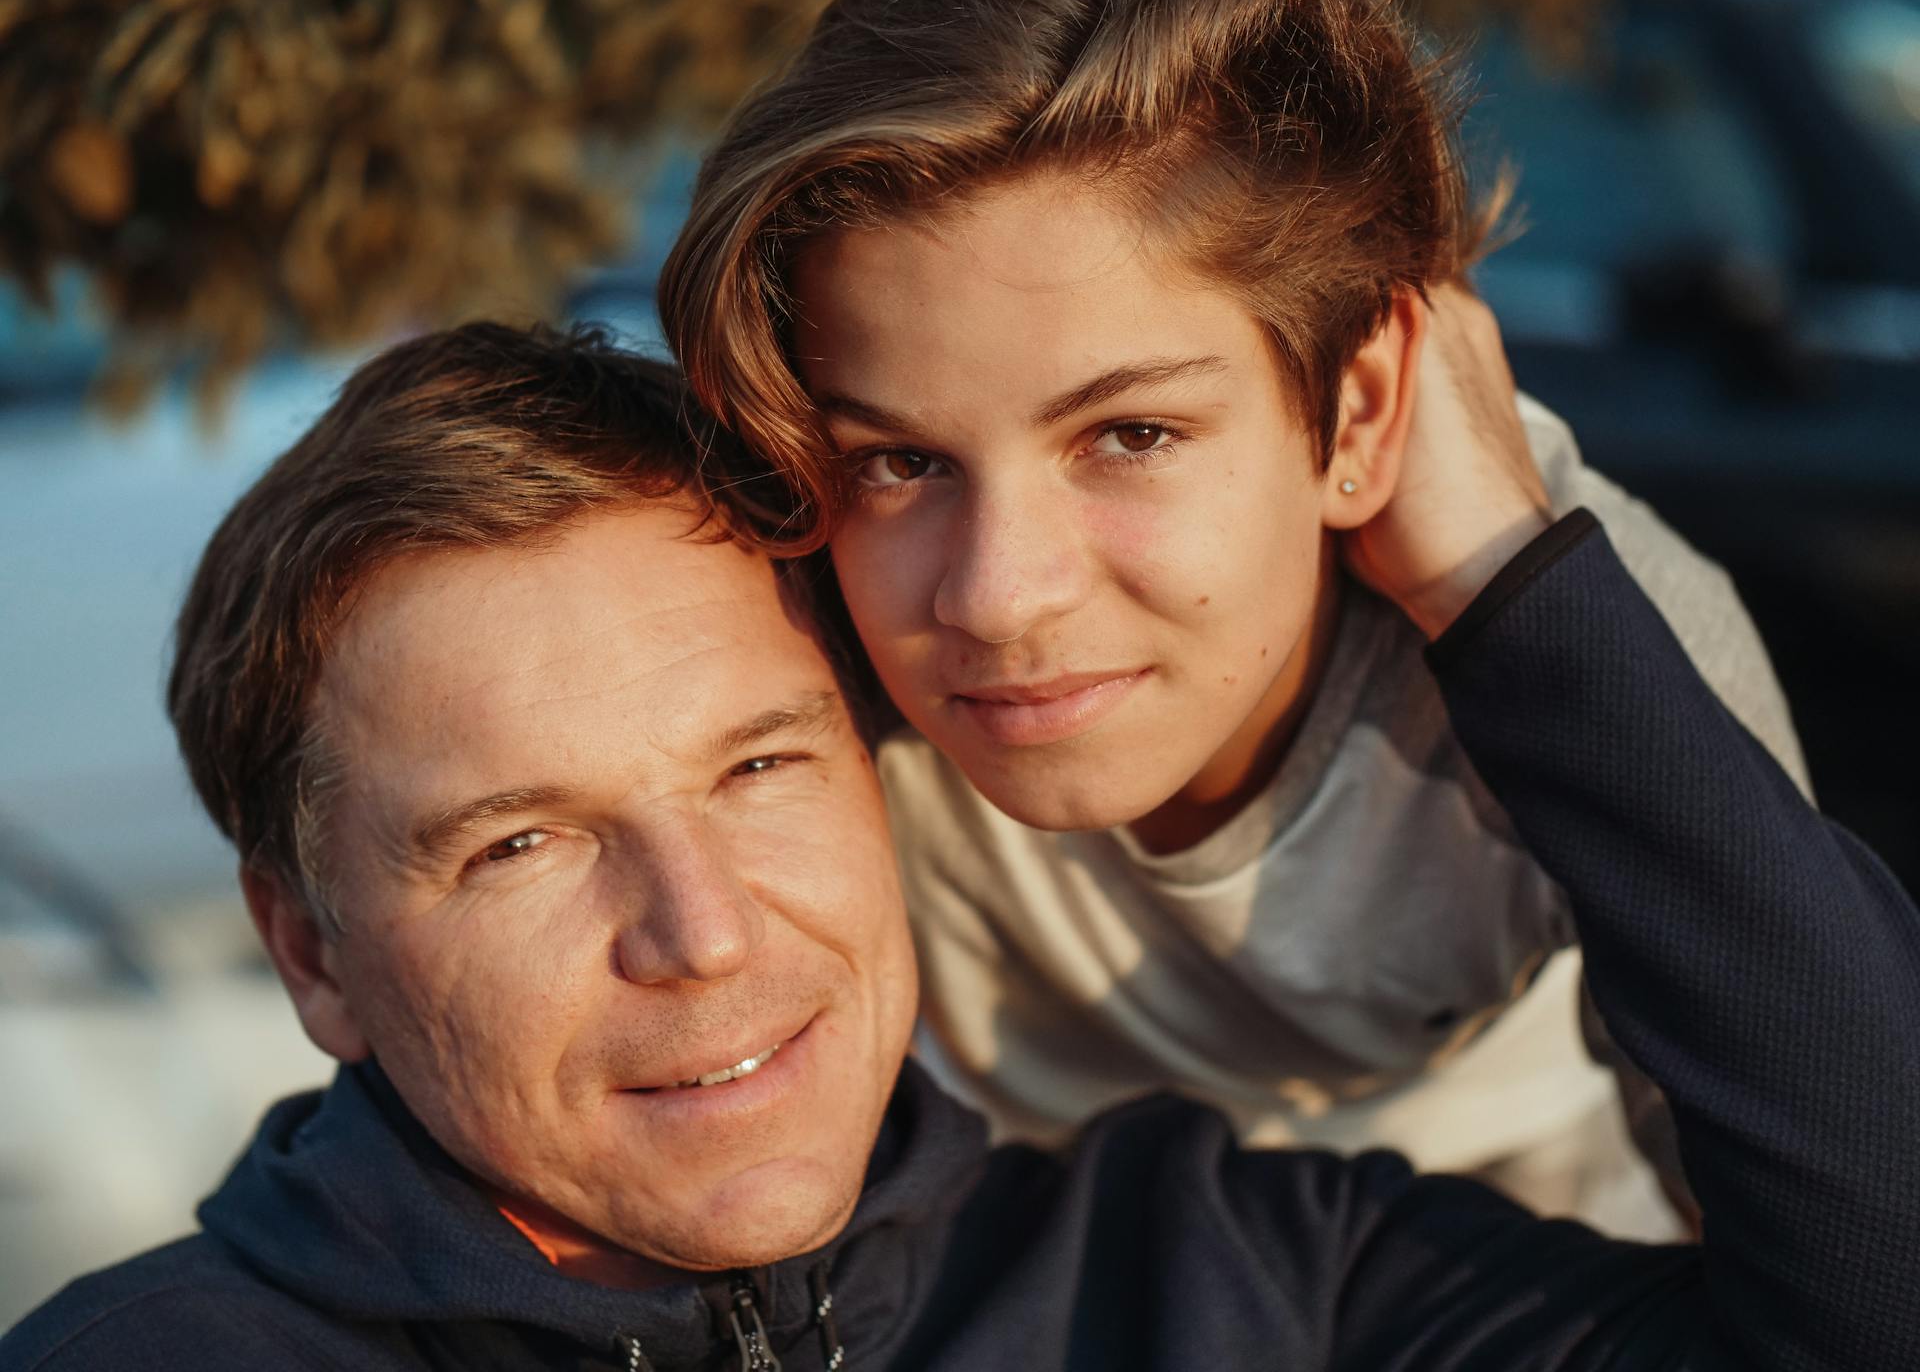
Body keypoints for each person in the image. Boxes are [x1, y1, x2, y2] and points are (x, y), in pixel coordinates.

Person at [5, 319, 1918, 1372]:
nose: (699, 933)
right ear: (315, 955)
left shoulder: (1236, 1287)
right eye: (517, 844)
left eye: (762, 770)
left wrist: (1508, 593)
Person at [656, 0, 1803, 1229]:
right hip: (1041, 1269)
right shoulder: (781, 606)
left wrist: (1506, 596)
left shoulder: (1599, 627)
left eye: (1129, 436)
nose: (997, 597)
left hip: (1526, 1257)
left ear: (1359, 411)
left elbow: (1850, 1240)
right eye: (903, 462)